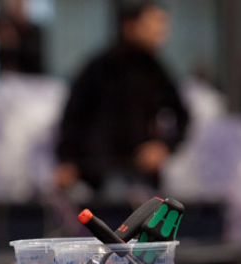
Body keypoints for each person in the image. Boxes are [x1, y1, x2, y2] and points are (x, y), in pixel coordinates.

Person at [54, 1, 188, 196]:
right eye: (154, 24)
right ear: (130, 26)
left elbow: (182, 116)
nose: (162, 33)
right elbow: (73, 116)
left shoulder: (155, 70)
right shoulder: (99, 67)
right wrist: (66, 161)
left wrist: (163, 147)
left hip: (141, 175)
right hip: (96, 174)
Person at [0, 0, 44, 75]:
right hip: (6, 78)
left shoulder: (33, 30)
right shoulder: (2, 26)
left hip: (30, 78)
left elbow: (35, 59)